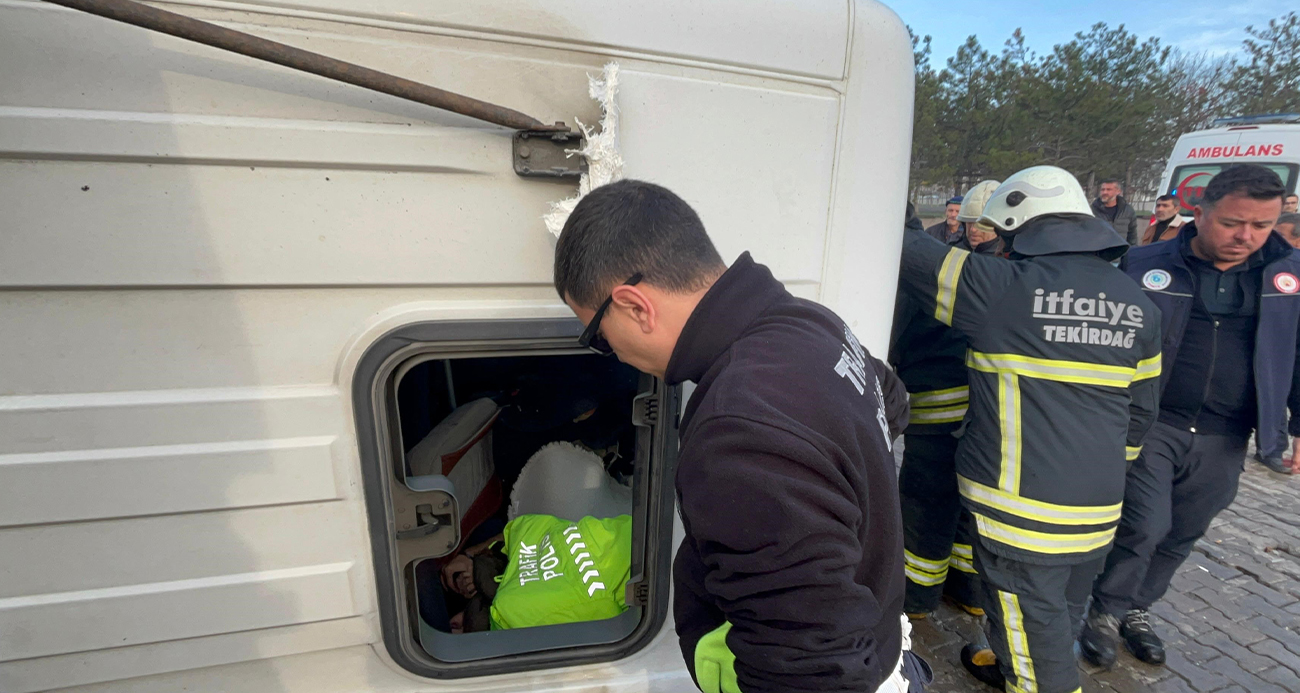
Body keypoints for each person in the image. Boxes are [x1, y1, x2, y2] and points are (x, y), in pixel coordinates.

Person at [553, 179, 921, 693]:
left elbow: (811, 671)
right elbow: (892, 399)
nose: (609, 350)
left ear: (635, 305)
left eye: (597, 335)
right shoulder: (809, 323)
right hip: (882, 644)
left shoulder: (739, 432)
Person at [898, 166, 1161, 693]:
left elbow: (912, 254)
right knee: (1057, 612)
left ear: (1021, 227)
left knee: (1035, 642)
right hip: (1098, 506)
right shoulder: (1140, 306)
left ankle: (1028, 675)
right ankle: (1006, 658)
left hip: (1021, 512)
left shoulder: (1001, 289)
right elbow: (1141, 415)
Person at [1082, 164, 1300, 669]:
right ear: (1198, 213)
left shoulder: (1287, 277)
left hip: (1228, 434)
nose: (1246, 236)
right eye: (1232, 222)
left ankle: (1138, 610)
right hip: (1154, 422)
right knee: (1145, 525)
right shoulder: (1140, 264)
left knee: (1183, 530)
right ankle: (1104, 611)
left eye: (1262, 225)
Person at [891, 181, 1001, 621]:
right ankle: (968, 589)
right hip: (976, 402)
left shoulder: (907, 264)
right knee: (962, 502)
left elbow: (889, 332)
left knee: (926, 500)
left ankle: (916, 596)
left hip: (938, 398)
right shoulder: (947, 258)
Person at [1092, 178, 1140, 246]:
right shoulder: (1092, 211)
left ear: (1118, 191)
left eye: (1109, 189)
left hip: (1121, 254)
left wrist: (1133, 252)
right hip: (1099, 254)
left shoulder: (1127, 210)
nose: (1104, 192)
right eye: (1103, 189)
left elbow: (1132, 235)